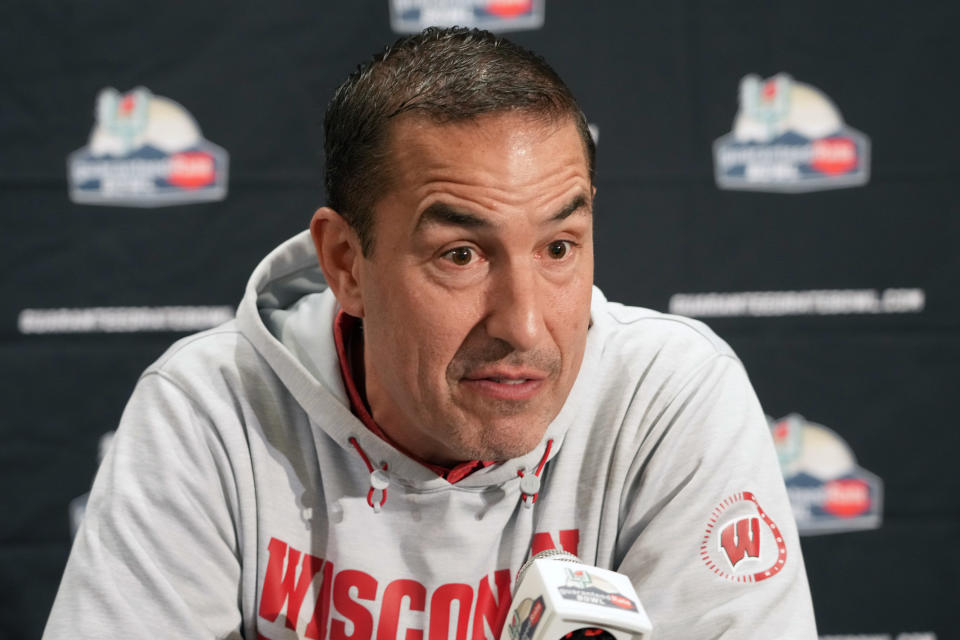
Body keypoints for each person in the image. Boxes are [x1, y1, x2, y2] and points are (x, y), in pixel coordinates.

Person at [43, 27, 816, 639]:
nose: (523, 324)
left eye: (557, 248)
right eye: (460, 254)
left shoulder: (670, 396)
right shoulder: (209, 411)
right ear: (347, 263)